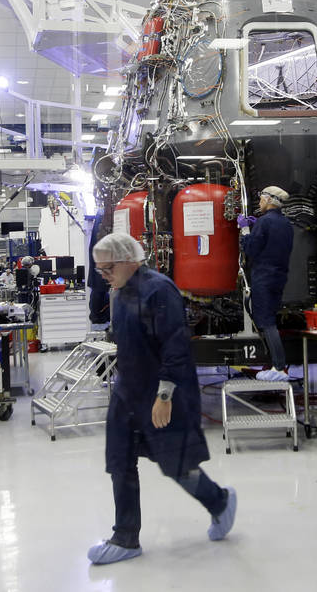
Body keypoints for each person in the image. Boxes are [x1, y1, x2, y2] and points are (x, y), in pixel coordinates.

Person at [87, 232, 236, 565]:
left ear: (129, 260)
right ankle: (125, 539)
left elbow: (175, 346)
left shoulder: (159, 289)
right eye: (100, 271)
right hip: (129, 394)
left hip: (163, 393)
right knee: (119, 461)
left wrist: (164, 394)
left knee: (177, 464)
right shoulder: (121, 292)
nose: (105, 276)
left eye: (108, 268)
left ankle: (220, 502)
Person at [238, 186, 294, 381]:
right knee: (270, 319)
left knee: (267, 322)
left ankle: (279, 368)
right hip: (279, 277)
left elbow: (251, 249)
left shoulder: (264, 222)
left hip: (264, 277)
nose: (259, 202)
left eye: (261, 199)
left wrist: (245, 230)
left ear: (270, 200)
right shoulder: (286, 223)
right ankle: (275, 366)